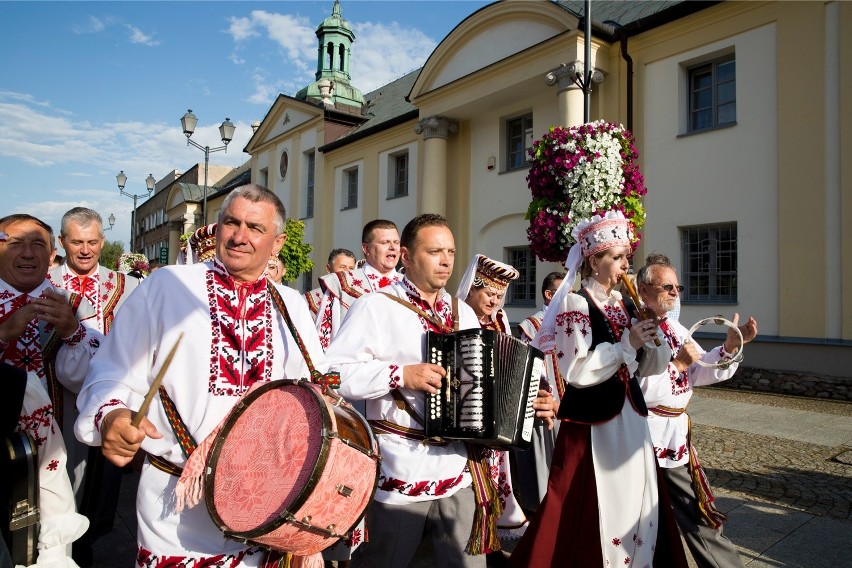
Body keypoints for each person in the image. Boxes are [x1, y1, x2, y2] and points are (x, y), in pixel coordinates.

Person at [74, 185, 327, 566]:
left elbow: (314, 400)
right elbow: (111, 369)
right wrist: (112, 414)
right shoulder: (168, 286)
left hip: (265, 506)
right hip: (175, 507)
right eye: (231, 222)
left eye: (255, 228)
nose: (240, 236)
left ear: (277, 243)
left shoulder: (291, 305)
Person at [325, 214, 556, 567]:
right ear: (406, 255)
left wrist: (526, 402)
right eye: (434, 251)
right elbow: (332, 374)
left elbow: (483, 380)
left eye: (450, 251)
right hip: (399, 469)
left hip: (460, 469)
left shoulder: (461, 310)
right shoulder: (376, 306)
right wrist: (401, 374)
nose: (446, 260)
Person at [510, 210, 688, 567]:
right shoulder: (576, 304)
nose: (625, 266)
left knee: (637, 495)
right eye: (618, 258)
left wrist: (652, 336)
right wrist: (626, 345)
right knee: (596, 500)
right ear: (594, 260)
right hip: (595, 422)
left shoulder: (625, 305)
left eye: (627, 257)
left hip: (631, 416)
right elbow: (574, 369)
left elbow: (651, 367)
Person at [636, 259, 757, 568]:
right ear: (644, 289)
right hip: (644, 436)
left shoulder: (674, 327)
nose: (675, 292)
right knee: (651, 517)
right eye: (667, 287)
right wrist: (677, 365)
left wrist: (729, 347)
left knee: (694, 513)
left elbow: (701, 371)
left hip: (675, 436)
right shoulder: (635, 326)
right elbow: (636, 388)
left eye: (678, 287)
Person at [0, 215, 94, 565]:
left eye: (37, 244)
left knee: (55, 538)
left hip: (59, 450)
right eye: (15, 243)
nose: (27, 253)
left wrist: (73, 331)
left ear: (52, 253)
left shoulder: (72, 303)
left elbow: (93, 376)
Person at [49, 208, 140, 565]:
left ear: (102, 242)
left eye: (92, 242)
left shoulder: (128, 286)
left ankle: (89, 543)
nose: (85, 250)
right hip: (61, 401)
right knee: (64, 480)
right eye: (76, 242)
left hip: (112, 401)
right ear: (62, 242)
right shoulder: (46, 283)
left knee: (105, 485)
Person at [455, 254, 530, 552]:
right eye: (488, 293)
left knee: (495, 472)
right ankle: (467, 531)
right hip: (464, 412)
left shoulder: (500, 321)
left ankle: (490, 533)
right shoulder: (455, 316)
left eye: (499, 296)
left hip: (494, 415)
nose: (494, 301)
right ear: (472, 289)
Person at [316, 219, 401, 350]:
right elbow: (324, 340)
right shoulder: (341, 284)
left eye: (396, 242)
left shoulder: (409, 284)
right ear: (366, 248)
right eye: (385, 242)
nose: (393, 247)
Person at [304, 248, 356, 322]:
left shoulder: (359, 297)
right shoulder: (309, 298)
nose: (347, 272)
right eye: (342, 267)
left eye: (351, 268)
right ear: (328, 268)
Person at [518, 271, 564, 344]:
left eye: (572, 292)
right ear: (549, 294)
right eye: (565, 292)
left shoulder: (574, 320)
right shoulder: (531, 325)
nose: (571, 297)